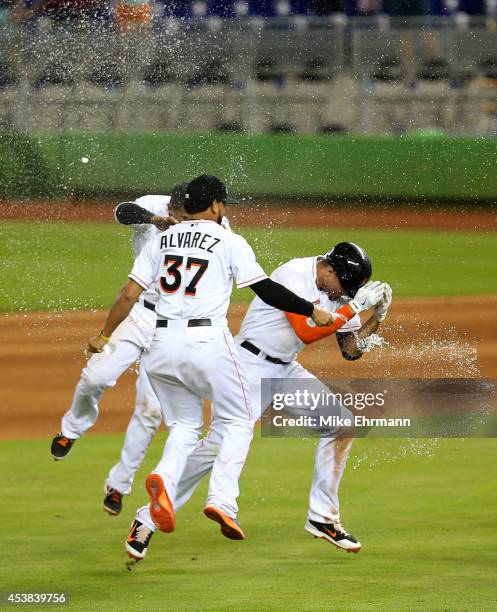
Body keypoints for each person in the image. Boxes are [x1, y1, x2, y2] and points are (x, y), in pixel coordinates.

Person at [80, 174, 335, 563]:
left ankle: (163, 483)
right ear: (215, 205)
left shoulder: (162, 238)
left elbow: (129, 293)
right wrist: (310, 308)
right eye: (224, 203)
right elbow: (265, 289)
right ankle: (222, 501)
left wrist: (103, 335)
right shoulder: (229, 240)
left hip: (160, 346)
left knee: (184, 426)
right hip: (206, 345)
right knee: (239, 418)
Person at [125, 240, 391, 563]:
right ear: (329, 269)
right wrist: (353, 306)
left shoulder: (341, 294)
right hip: (247, 365)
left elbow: (350, 350)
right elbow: (306, 331)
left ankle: (323, 517)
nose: (343, 295)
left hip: (285, 370)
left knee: (341, 424)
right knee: (215, 446)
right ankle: (146, 520)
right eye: (343, 287)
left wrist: (376, 317)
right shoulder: (294, 274)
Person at [50, 184, 185, 516]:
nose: (181, 220)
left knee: (151, 412)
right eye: (176, 214)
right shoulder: (155, 207)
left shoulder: (212, 228)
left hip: (173, 329)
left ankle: (118, 485)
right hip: (139, 314)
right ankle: (73, 428)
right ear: (170, 206)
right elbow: (122, 212)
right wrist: (156, 219)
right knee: (96, 377)